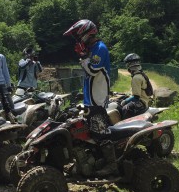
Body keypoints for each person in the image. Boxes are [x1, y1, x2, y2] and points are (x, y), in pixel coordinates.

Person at [63, 19, 115, 176]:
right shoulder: (93, 49)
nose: (78, 42)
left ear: (86, 34)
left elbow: (92, 69)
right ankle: (90, 163)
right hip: (90, 98)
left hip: (97, 99)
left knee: (100, 131)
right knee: (87, 131)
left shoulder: (100, 48)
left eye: (78, 37)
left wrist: (84, 56)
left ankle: (112, 165)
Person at [121, 53, 153, 119]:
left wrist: (125, 101)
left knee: (124, 109)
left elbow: (136, 97)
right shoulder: (141, 75)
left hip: (141, 103)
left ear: (130, 65)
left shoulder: (136, 78)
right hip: (145, 101)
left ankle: (126, 127)